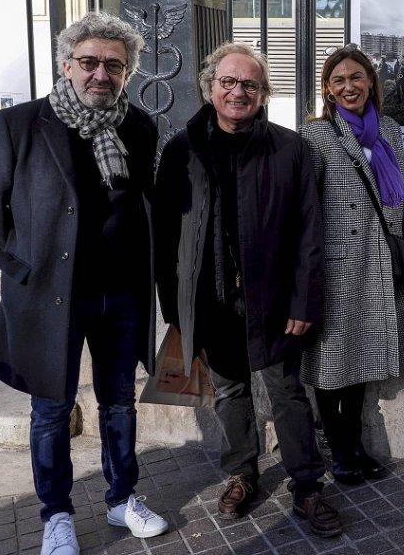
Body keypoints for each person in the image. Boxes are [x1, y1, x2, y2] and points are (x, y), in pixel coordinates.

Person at [0, 12, 169, 555]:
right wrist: (19, 268)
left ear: (127, 72)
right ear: (66, 63)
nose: (101, 74)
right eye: (90, 62)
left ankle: (122, 499)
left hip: (120, 295)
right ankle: (56, 515)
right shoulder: (19, 125)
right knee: (51, 408)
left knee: (119, 402)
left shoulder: (138, 126)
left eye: (114, 65)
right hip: (48, 295)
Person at [154, 42, 342, 537]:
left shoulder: (288, 148)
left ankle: (306, 485)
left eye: (250, 85)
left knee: (286, 391)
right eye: (229, 82)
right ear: (210, 87)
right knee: (230, 390)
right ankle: (243, 471)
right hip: (210, 299)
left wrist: (304, 300)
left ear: (263, 95)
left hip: (274, 299)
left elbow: (309, 230)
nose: (238, 92)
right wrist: (174, 306)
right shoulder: (182, 149)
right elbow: (165, 234)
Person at [300, 45, 404, 487]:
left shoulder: (389, 130)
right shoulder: (318, 135)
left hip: (380, 261)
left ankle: (353, 445)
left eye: (356, 77)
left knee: (359, 359)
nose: (348, 87)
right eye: (338, 81)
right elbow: (304, 206)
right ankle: (338, 449)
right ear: (327, 89)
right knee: (331, 360)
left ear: (370, 82)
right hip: (338, 264)